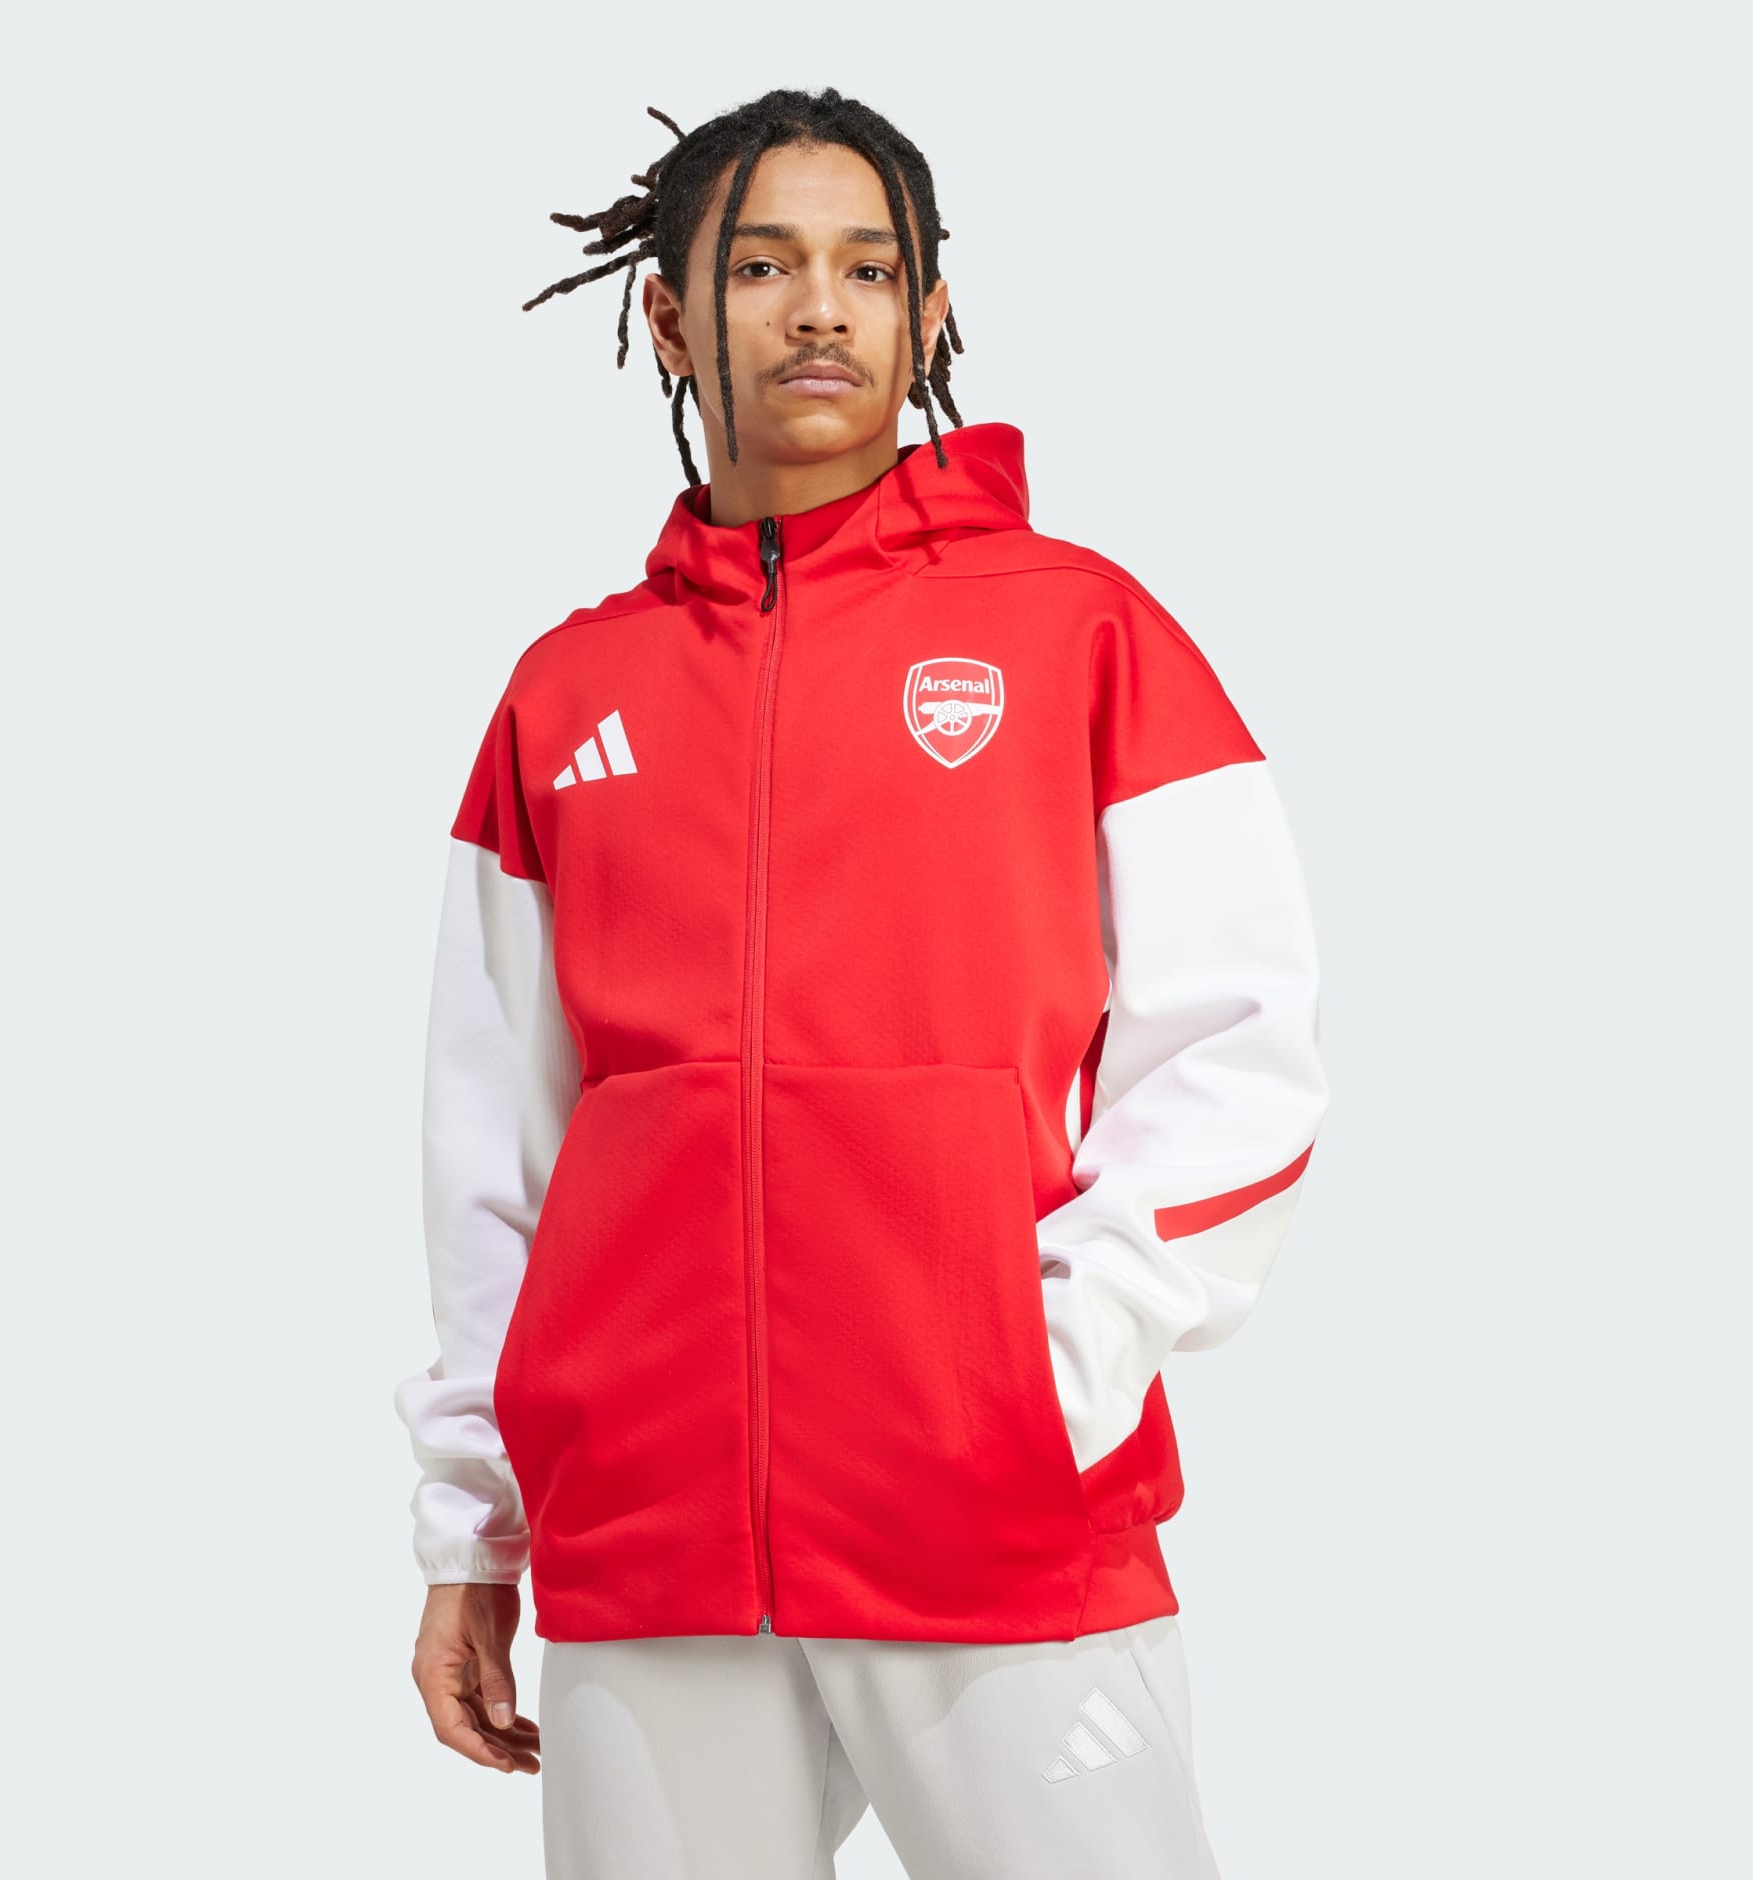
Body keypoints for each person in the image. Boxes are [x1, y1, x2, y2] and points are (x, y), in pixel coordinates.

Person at [392, 86, 1328, 1880]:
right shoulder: (565, 694)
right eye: (759, 267)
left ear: (930, 311)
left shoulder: (1082, 631)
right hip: (648, 1535)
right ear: (670, 319)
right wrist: (475, 1525)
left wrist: (1050, 1369)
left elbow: (1242, 1047)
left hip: (998, 1520)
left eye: (869, 268)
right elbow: (494, 1143)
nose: (819, 309)